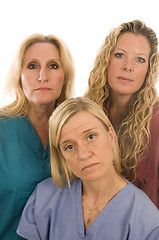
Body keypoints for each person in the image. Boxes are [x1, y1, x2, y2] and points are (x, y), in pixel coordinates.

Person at [17, 97, 159, 240]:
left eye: (91, 137)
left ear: (110, 136)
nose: (83, 154)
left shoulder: (146, 220)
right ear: (62, 155)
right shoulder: (44, 198)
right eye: (69, 146)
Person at [0, 33, 74, 240]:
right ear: (19, 75)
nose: (43, 76)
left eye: (53, 66)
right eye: (32, 66)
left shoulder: (76, 129)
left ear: (65, 76)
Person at [84, 20, 159, 208]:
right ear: (106, 60)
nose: (128, 66)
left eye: (140, 59)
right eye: (119, 55)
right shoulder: (85, 112)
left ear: (148, 70)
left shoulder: (156, 121)